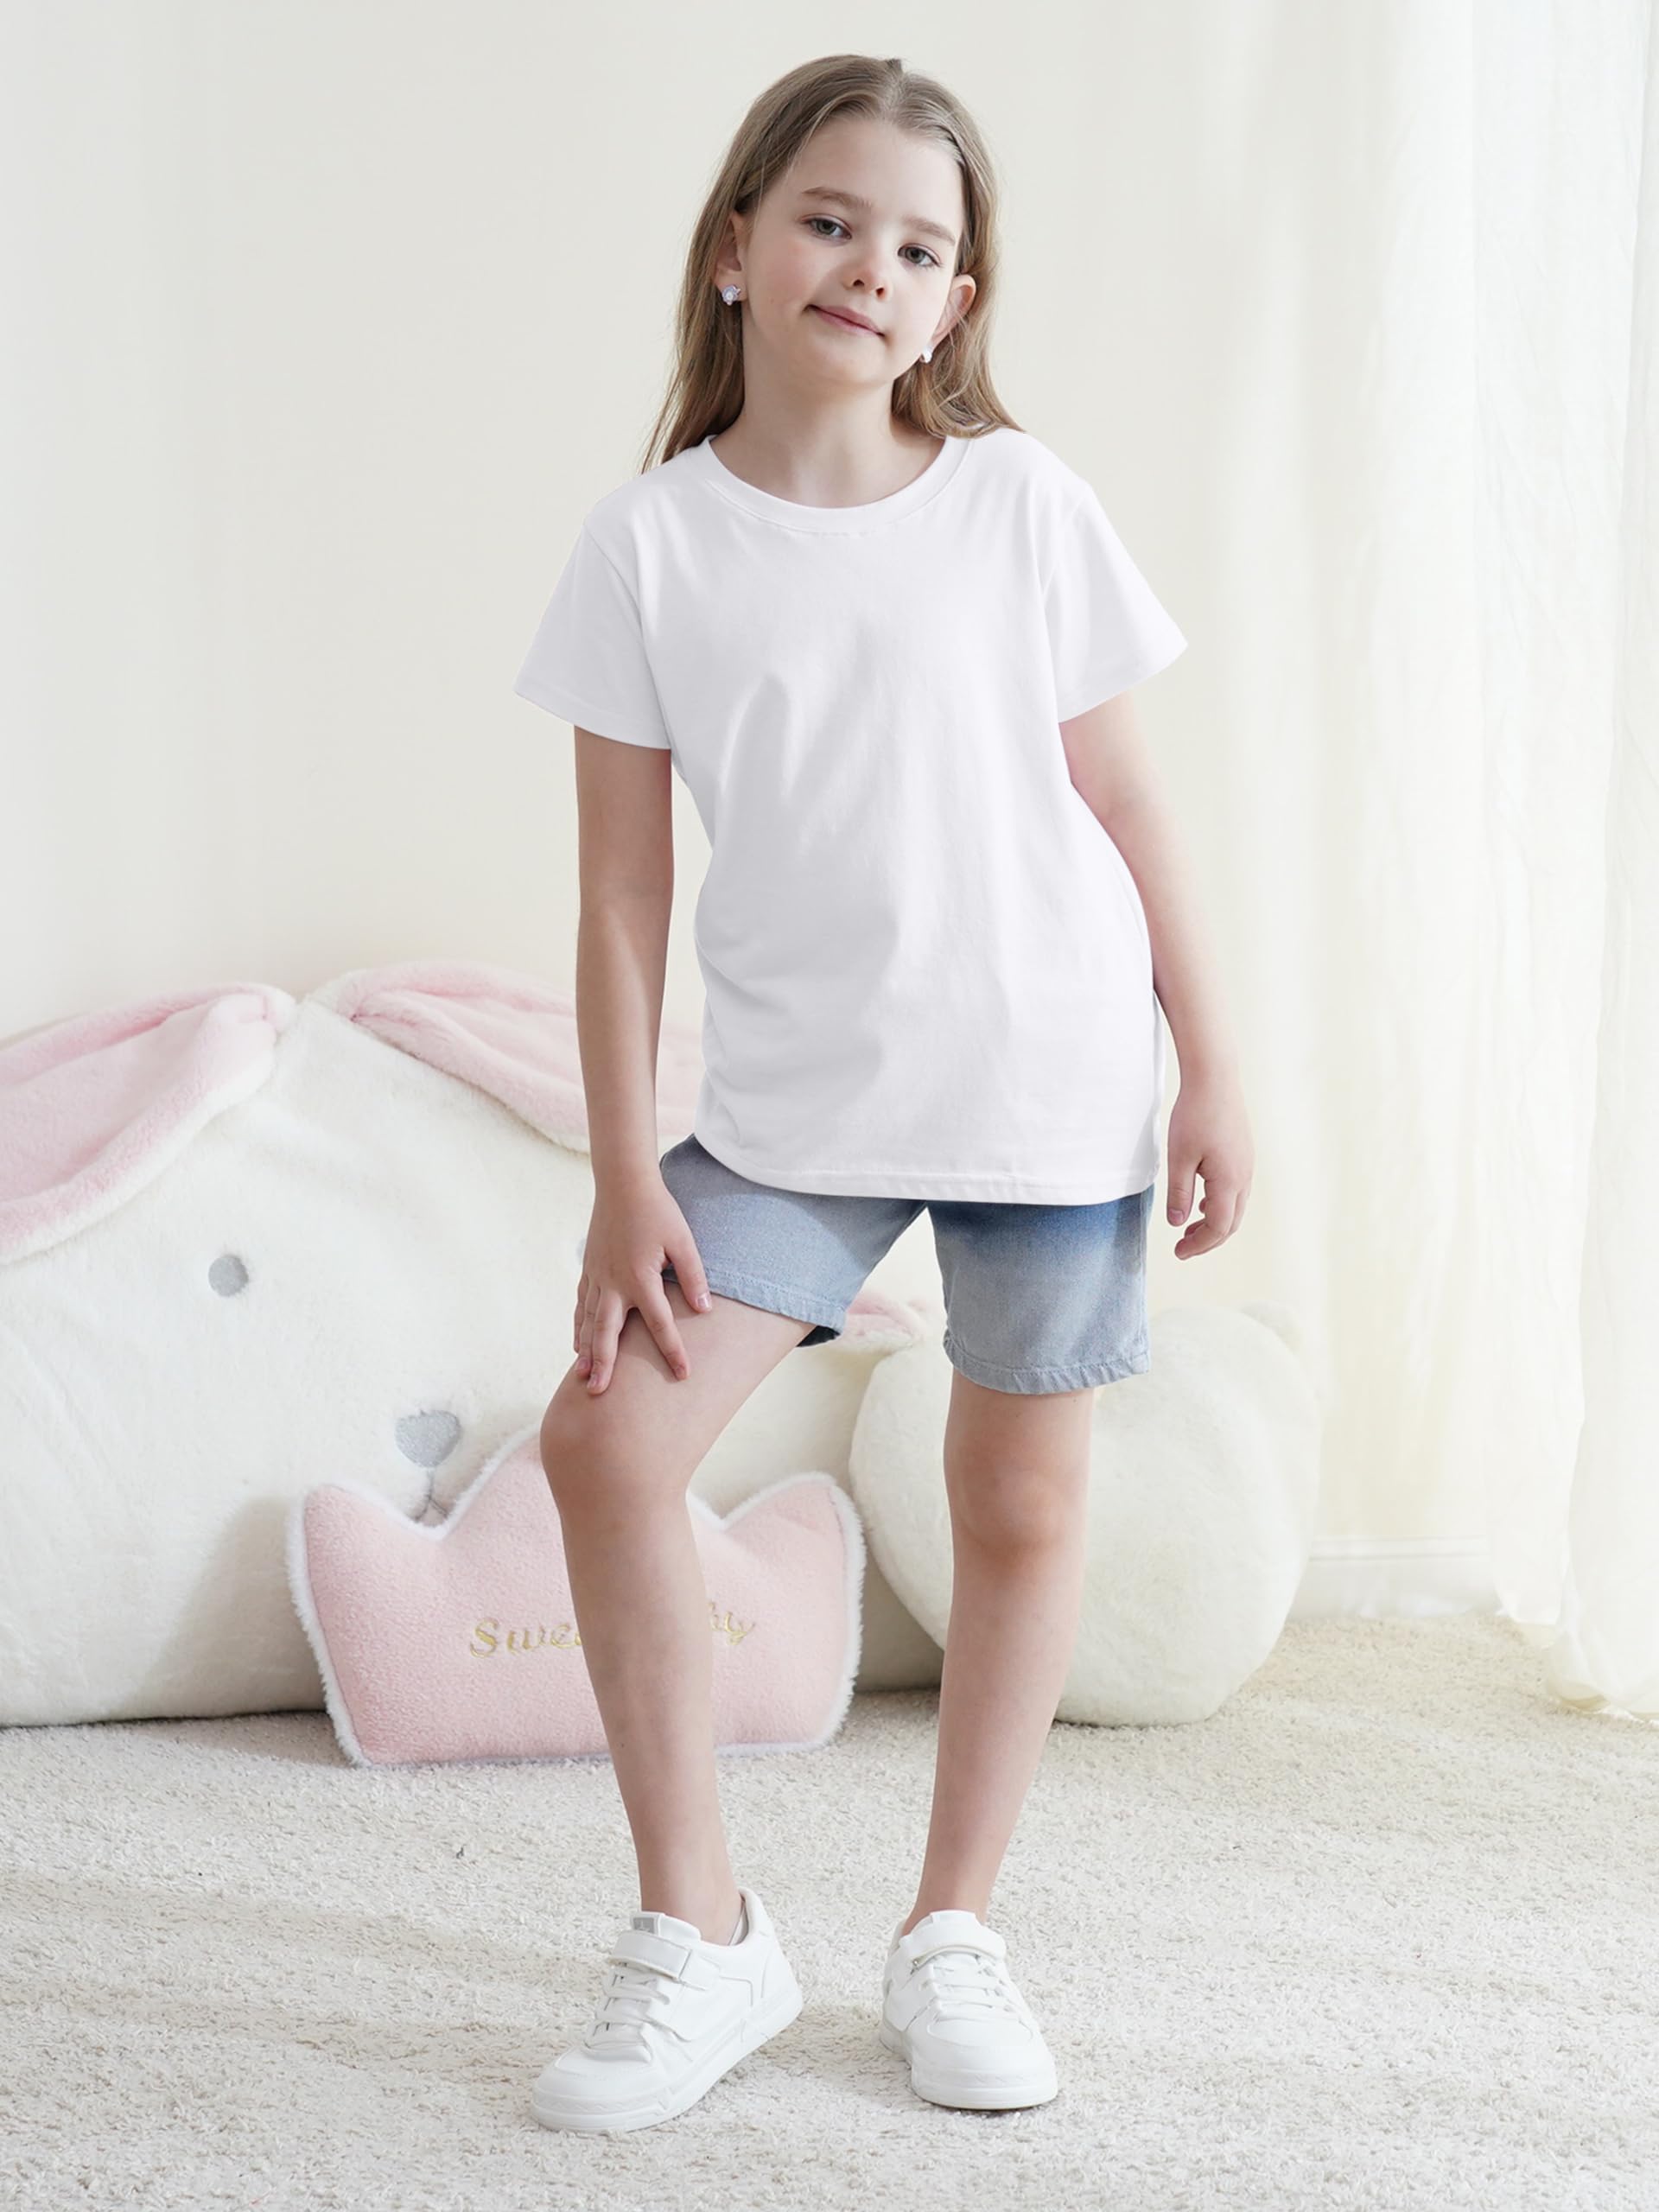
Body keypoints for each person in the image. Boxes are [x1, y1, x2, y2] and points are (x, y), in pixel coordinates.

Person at [514, 53, 1252, 2135]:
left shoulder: (1023, 504)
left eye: (920, 246)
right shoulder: (649, 548)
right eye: (832, 220)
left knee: (1019, 1503)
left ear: (956, 303)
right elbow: (622, 897)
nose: (871, 266)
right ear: (737, 245)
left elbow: (1131, 801)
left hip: (1050, 1084)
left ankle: (954, 1927)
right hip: (790, 1120)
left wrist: (1216, 1059)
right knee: (606, 1444)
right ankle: (703, 1932)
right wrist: (621, 1173)